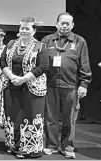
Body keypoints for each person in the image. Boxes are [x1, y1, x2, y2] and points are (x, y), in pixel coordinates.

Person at [42, 12, 92, 159]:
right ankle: (50, 145)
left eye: (67, 23)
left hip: (71, 86)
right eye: (62, 23)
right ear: (57, 24)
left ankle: (67, 147)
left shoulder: (80, 41)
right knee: (50, 118)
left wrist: (84, 84)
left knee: (69, 119)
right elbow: (41, 63)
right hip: (50, 86)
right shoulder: (47, 40)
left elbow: (85, 64)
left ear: (72, 25)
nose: (64, 25)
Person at [0, 17, 49, 159]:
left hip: (31, 89)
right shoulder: (10, 44)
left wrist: (23, 79)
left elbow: (43, 66)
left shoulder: (40, 46)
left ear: (33, 30)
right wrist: (11, 76)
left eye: (27, 28)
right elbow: (2, 61)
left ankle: (29, 149)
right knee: (13, 116)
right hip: (12, 86)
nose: (23, 31)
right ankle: (13, 145)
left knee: (29, 116)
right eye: (22, 28)